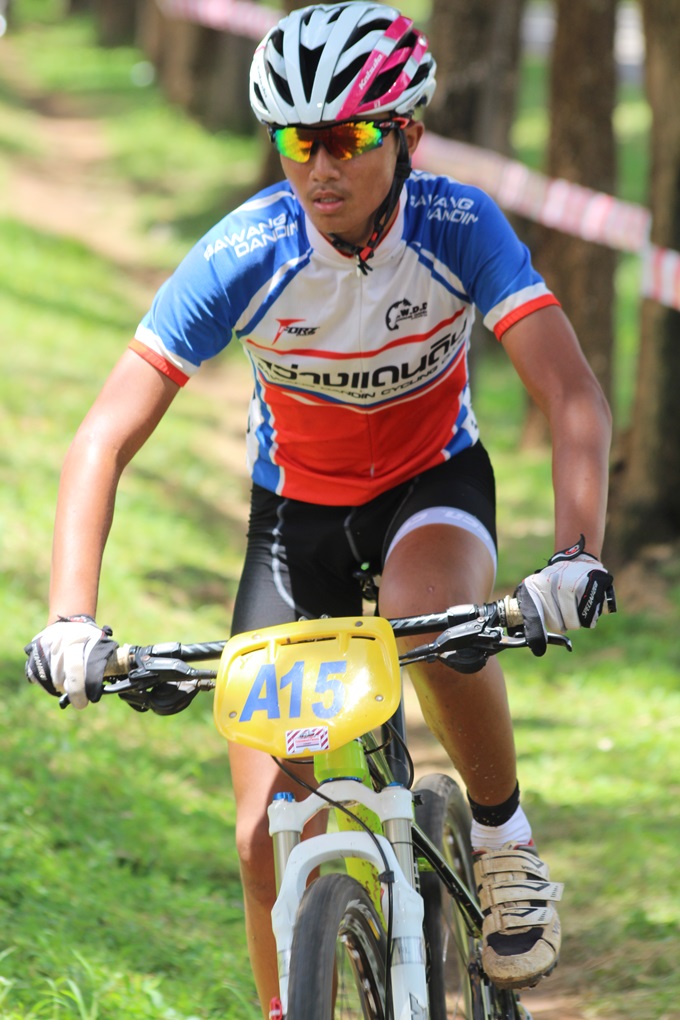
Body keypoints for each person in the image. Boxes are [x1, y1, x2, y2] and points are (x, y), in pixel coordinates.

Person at [25, 2, 615, 1014]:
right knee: (262, 835)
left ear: (406, 135)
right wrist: (70, 617)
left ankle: (501, 837)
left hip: (430, 486)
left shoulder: (457, 225)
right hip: (296, 523)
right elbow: (102, 436)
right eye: (298, 141)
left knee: (427, 614)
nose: (320, 166)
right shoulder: (246, 250)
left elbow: (571, 397)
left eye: (346, 137)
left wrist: (575, 555)